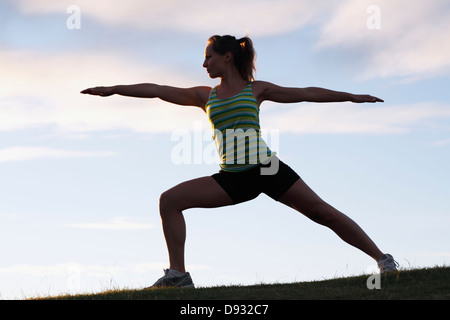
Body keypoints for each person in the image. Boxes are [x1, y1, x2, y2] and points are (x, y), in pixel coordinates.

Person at [81, 35, 398, 288]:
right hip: (231, 179)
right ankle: (178, 275)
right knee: (170, 200)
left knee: (322, 212)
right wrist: (113, 90)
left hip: (267, 170)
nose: (204, 63)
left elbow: (306, 93)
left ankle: (382, 259)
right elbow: (158, 90)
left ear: (227, 56)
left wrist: (352, 96)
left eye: (209, 56)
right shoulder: (205, 96)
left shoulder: (256, 89)